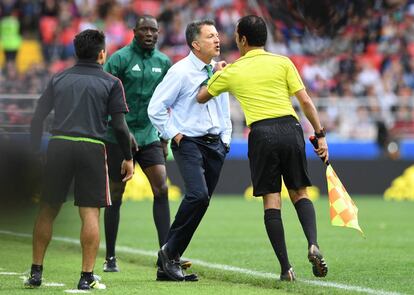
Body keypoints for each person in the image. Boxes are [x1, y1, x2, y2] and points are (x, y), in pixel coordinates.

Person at [197, 15, 328, 281]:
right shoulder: (283, 62)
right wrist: (320, 135)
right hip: (291, 129)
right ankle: (312, 242)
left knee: (272, 200)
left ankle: (286, 268)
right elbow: (305, 100)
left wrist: (218, 73)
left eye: (236, 36)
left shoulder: (234, 69)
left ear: (243, 39)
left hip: (262, 134)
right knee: (300, 193)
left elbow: (201, 97)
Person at [24, 29, 134, 290]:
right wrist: (128, 157)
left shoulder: (59, 78)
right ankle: (86, 277)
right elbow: (120, 127)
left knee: (48, 209)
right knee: (90, 213)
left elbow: (37, 118)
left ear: (76, 52)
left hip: (59, 145)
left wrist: (34, 153)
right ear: (101, 53)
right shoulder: (111, 82)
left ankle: (36, 272)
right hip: (92, 148)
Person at [148, 19, 232, 281]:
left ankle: (168, 260)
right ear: (196, 44)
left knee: (202, 201)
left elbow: (224, 108)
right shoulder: (180, 71)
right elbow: (155, 108)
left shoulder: (217, 70)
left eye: (217, 35)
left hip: (215, 144)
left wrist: (225, 140)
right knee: (197, 195)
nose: (217, 39)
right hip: (189, 143)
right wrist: (175, 134)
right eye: (210, 36)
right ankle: (169, 253)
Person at [102, 15, 174, 273]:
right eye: (144, 29)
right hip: (119, 136)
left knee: (162, 187)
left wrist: (164, 136)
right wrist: (118, 127)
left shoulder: (164, 62)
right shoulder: (119, 59)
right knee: (116, 194)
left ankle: (166, 255)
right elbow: (103, 95)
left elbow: (169, 101)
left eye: (153, 30)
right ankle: (110, 256)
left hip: (149, 134)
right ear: (134, 32)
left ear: (158, 33)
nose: (149, 34)